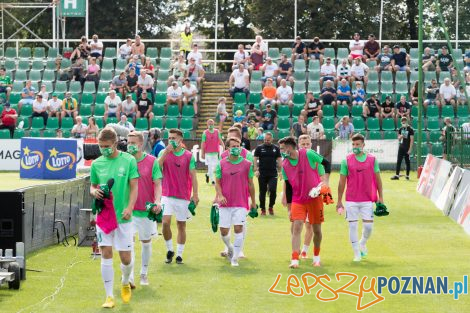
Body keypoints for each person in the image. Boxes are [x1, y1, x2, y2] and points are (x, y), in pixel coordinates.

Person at [90, 127, 139, 308]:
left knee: (126, 259)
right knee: (106, 253)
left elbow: (134, 187)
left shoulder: (128, 161)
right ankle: (109, 296)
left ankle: (125, 281)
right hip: (103, 216)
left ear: (115, 143)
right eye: (101, 146)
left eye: (107, 146)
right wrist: (94, 192)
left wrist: (130, 207)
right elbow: (93, 186)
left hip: (123, 217)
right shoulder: (97, 164)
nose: (103, 149)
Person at [279, 136, 325, 268]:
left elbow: (324, 173)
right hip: (298, 199)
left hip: (314, 199)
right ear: (298, 144)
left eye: (283, 148)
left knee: (315, 229)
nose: (281, 151)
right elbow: (288, 186)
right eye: (303, 143)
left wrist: (322, 186)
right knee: (297, 225)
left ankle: (315, 256)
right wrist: (288, 206)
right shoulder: (285, 165)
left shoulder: (311, 156)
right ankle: (295, 258)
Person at [337, 133, 384, 262]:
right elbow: (341, 182)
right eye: (353, 144)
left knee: (368, 227)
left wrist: (381, 198)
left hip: (367, 199)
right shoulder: (346, 161)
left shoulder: (372, 159)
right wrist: (339, 201)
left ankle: (362, 242)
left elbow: (378, 180)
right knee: (352, 226)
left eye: (358, 144)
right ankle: (356, 253)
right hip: (351, 199)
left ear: (363, 145)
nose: (355, 146)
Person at [126, 131, 162, 287]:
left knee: (145, 242)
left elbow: (158, 184)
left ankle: (144, 273)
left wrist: (157, 201)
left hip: (146, 211)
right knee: (129, 243)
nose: (130, 145)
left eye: (133, 143)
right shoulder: (124, 161)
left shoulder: (152, 161)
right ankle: (130, 276)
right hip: (128, 211)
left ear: (141, 144)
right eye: (128, 142)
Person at [158, 129, 199, 265]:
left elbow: (193, 176)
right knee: (165, 222)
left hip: (183, 196)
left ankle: (179, 255)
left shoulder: (188, 156)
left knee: (181, 225)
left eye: (174, 138)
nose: (171, 141)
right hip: (167, 194)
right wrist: (165, 152)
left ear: (180, 140)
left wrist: (195, 194)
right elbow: (157, 168)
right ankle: (170, 250)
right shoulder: (163, 153)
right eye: (169, 138)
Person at [215, 137, 256, 267]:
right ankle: (230, 248)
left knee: (238, 229)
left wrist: (253, 202)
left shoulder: (247, 164)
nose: (236, 148)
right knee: (223, 231)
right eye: (233, 146)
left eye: (238, 146)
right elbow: (217, 182)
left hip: (241, 203)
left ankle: (235, 258)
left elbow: (251, 184)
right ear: (227, 149)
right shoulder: (221, 163)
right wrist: (220, 195)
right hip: (225, 203)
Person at [254, 132, 281, 216]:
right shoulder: (259, 148)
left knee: (273, 190)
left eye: (268, 140)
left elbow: (279, 160)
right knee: (262, 191)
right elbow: (255, 159)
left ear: (271, 139)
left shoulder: (276, 148)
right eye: (265, 139)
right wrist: (256, 170)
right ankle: (263, 209)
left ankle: (271, 207)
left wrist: (280, 171)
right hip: (262, 173)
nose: (266, 141)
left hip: (273, 173)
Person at [201, 119, 224, 185]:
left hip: (216, 153)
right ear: (207, 125)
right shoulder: (205, 133)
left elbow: (220, 140)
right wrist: (202, 153)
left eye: (211, 124)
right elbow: (203, 143)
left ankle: (207, 174)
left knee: (215, 167)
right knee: (210, 166)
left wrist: (223, 146)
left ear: (213, 124)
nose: (210, 125)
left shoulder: (217, 132)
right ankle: (213, 181)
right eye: (209, 124)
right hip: (208, 153)